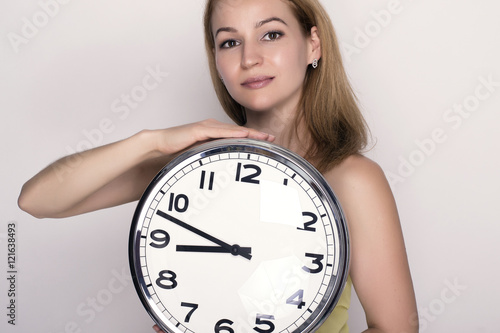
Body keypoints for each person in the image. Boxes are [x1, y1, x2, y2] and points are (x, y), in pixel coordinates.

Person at [18, 0, 418, 332]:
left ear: (313, 45)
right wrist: (150, 141)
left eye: (271, 34)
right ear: (216, 60)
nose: (249, 58)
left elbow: (398, 328)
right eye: (229, 42)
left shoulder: (350, 178)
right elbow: (37, 200)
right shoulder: (191, 169)